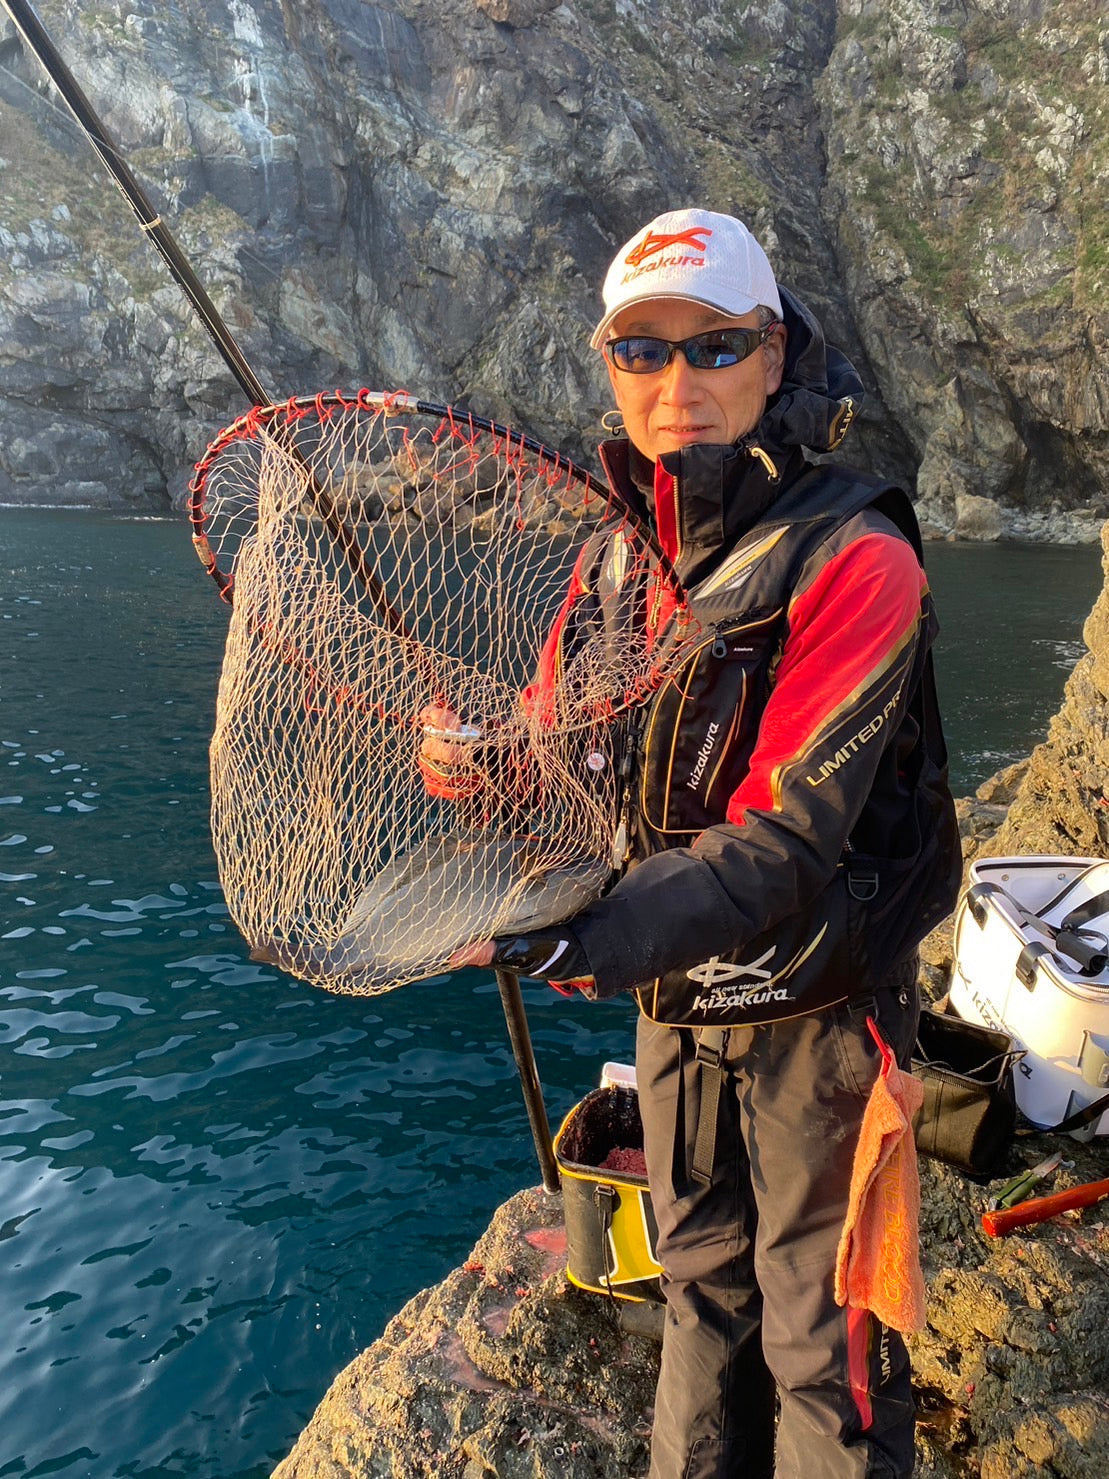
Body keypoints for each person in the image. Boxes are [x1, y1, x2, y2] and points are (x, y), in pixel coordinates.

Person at [433, 208, 960, 1478]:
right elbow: (572, 774)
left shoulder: (857, 558)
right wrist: (487, 771)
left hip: (819, 1015)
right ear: (608, 368)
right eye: (641, 353)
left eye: (715, 347)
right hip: (676, 1008)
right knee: (695, 1290)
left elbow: (784, 843)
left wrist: (588, 933)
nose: (676, 387)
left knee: (816, 1336)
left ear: (773, 356)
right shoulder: (619, 561)